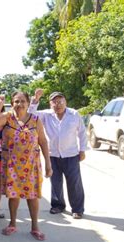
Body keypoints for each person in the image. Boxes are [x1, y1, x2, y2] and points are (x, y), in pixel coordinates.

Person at [0, 92, 52, 241]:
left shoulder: (35, 120)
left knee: (32, 196)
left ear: (27, 103)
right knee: (13, 195)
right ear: (12, 104)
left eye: (23, 101)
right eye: (16, 101)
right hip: (12, 164)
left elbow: (43, 141)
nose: (20, 104)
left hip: (31, 164)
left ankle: (35, 227)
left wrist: (48, 163)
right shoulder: (7, 117)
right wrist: (0, 103)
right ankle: (12, 224)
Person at [30, 90, 88, 219]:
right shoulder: (46, 115)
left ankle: (77, 209)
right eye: (54, 102)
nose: (58, 104)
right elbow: (30, 115)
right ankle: (58, 205)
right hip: (53, 155)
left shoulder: (74, 114)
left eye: (60, 101)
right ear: (50, 104)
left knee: (74, 183)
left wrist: (82, 150)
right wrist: (35, 99)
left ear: (65, 102)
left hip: (71, 154)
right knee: (55, 182)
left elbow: (82, 133)